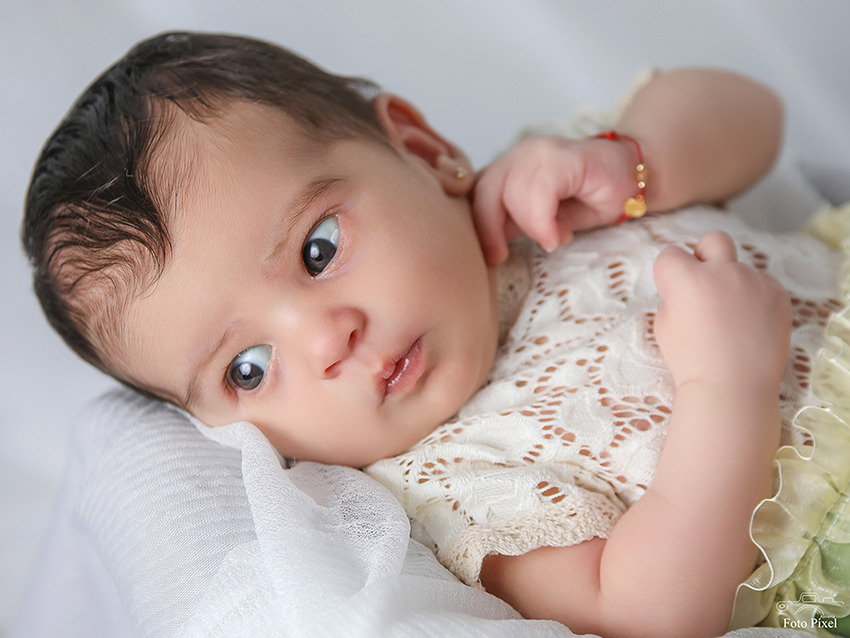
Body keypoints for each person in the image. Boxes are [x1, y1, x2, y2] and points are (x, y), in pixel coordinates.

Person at [22, 31, 850, 637]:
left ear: (421, 151)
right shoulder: (454, 490)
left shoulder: (537, 194)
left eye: (318, 250)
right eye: (248, 367)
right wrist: (727, 390)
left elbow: (752, 116)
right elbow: (649, 610)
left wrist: (631, 158)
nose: (326, 343)